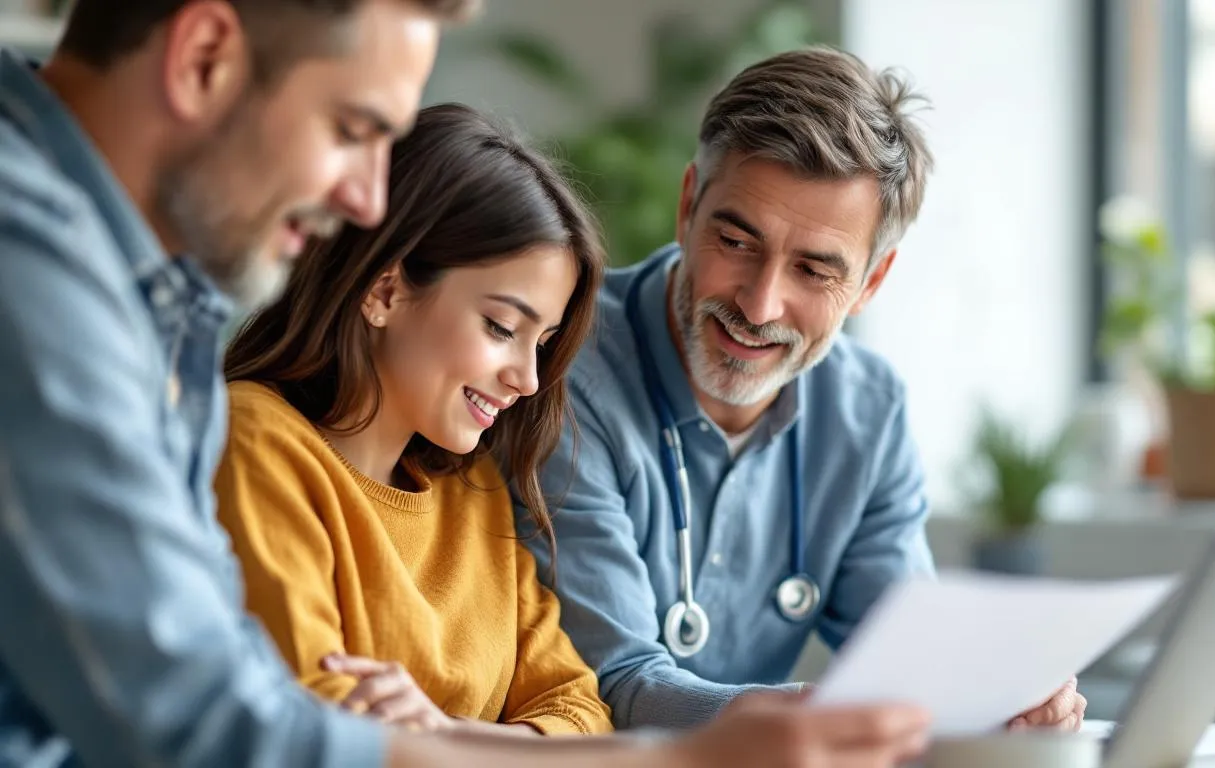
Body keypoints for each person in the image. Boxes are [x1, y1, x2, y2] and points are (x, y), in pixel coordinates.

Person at [0, 1, 932, 765]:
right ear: (203, 55)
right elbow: (214, 720)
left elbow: (568, 699)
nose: (366, 201)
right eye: (352, 128)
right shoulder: (36, 275)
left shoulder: (151, 301)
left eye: (815, 269)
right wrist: (677, 759)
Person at [520, 46, 1088, 732]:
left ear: (870, 285)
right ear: (688, 207)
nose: (759, 306)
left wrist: (997, 702)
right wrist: (817, 715)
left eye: (815, 272)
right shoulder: (561, 365)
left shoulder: (867, 412)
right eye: (735, 242)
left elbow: (911, 666)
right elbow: (612, 686)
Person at [214, 102, 613, 737]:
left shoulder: (472, 493)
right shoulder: (256, 441)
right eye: (502, 327)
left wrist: (446, 734)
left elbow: (582, 714)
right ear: (385, 290)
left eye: (540, 344)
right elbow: (319, 726)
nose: (528, 379)